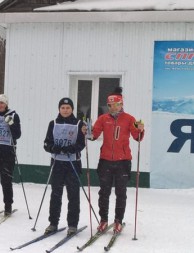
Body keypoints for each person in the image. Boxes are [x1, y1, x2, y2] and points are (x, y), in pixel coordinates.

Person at [90, 87, 144, 234]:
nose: (113, 107)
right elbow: (93, 135)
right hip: (106, 160)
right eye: (110, 105)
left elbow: (137, 137)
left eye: (116, 104)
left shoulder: (130, 119)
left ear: (121, 104)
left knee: (121, 193)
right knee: (104, 192)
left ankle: (118, 221)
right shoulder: (103, 118)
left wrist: (140, 129)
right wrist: (87, 131)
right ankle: (103, 220)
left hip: (123, 162)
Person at [43, 98, 85, 236]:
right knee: (56, 194)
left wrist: (71, 149)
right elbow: (47, 143)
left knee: (73, 195)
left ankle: (72, 224)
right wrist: (53, 148)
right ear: (59, 109)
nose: (65, 110)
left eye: (68, 107)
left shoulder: (79, 123)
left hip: (72, 163)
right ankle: (53, 223)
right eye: (63, 107)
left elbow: (81, 144)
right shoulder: (53, 123)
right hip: (57, 163)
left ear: (72, 109)